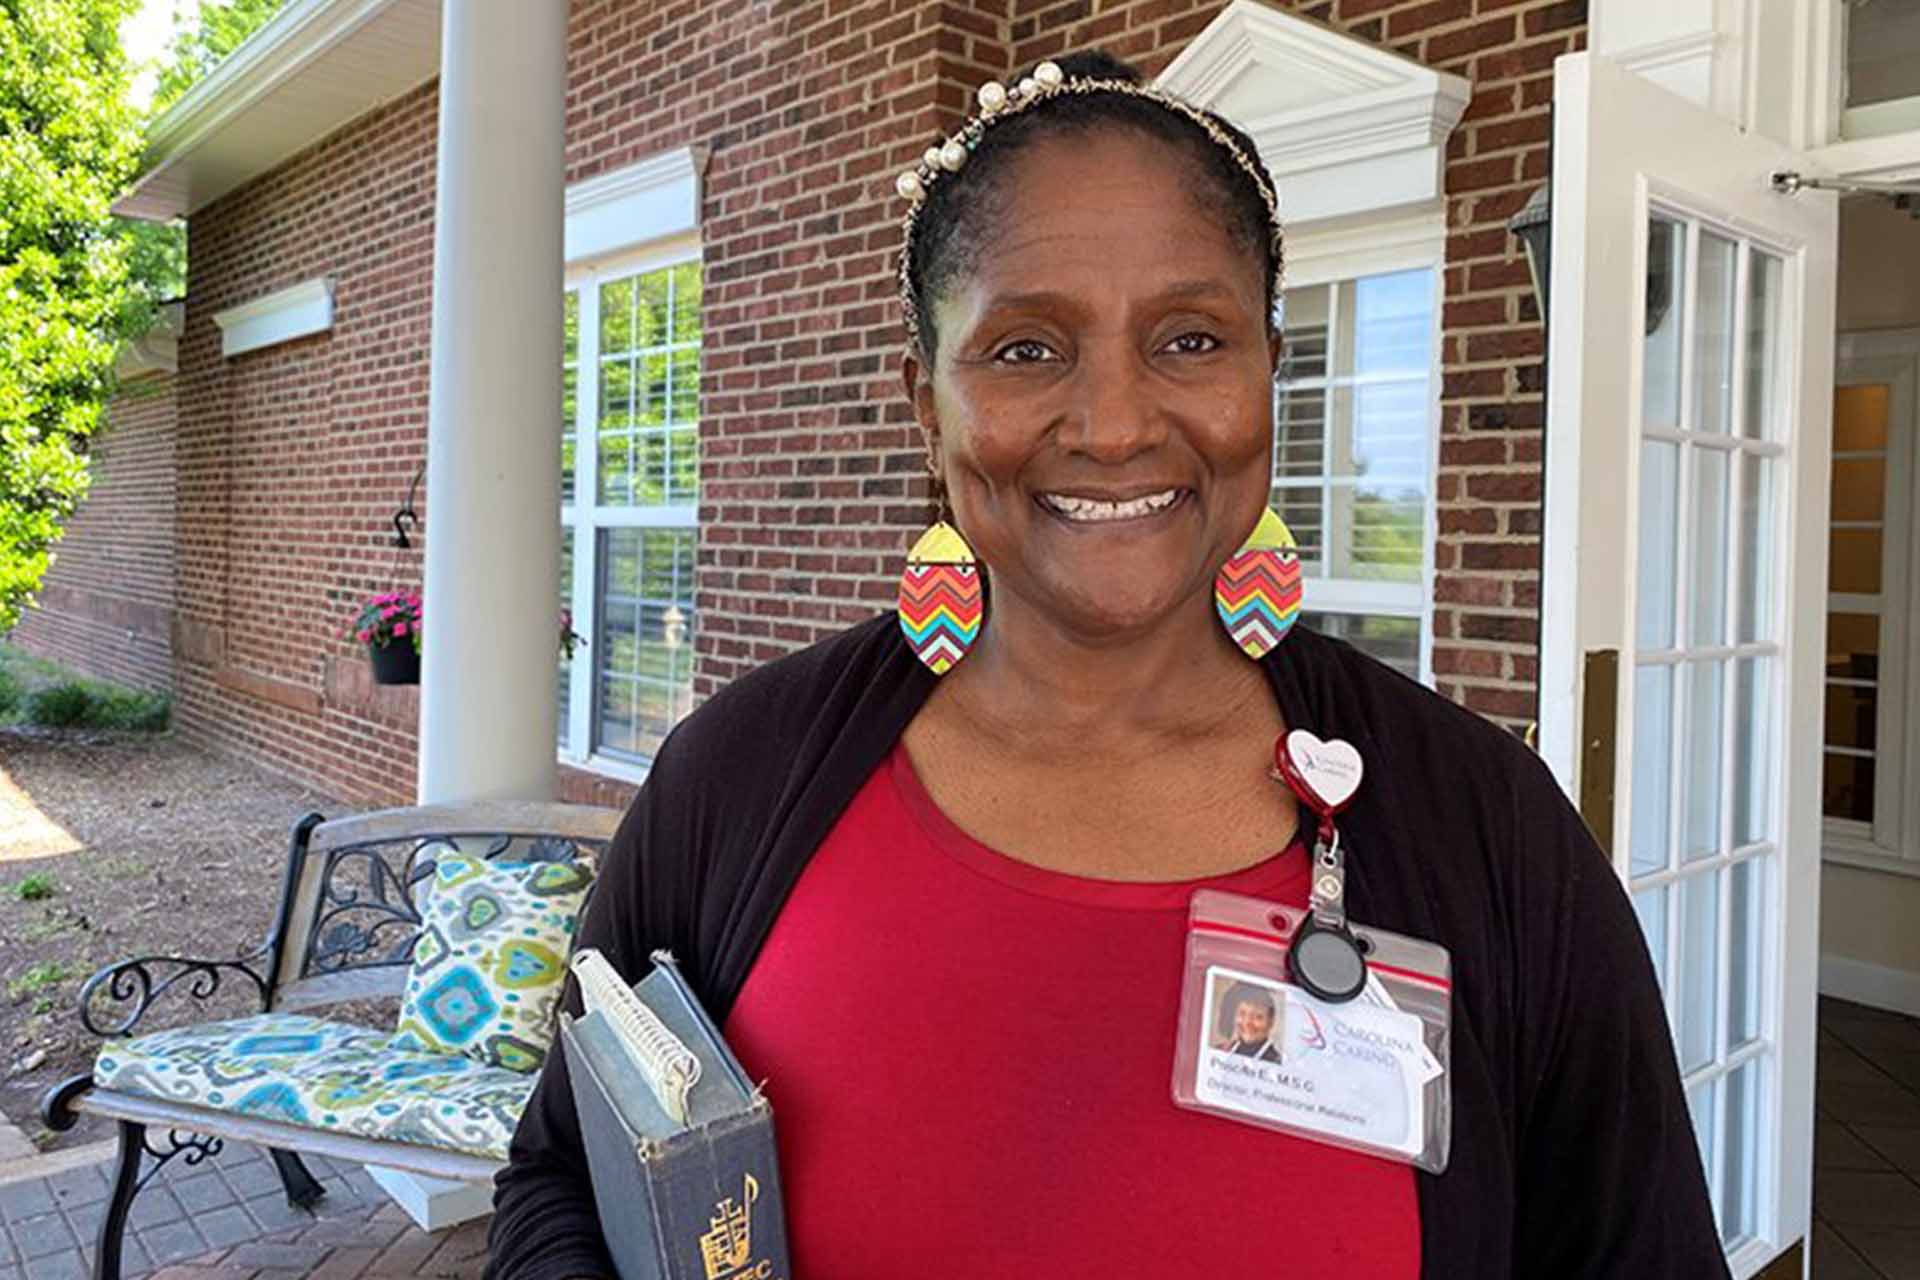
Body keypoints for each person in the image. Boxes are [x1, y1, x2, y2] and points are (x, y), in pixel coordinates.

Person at [487, 50, 1727, 1280]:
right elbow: (559, 1177)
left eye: (1190, 338)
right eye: (1027, 349)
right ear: (927, 404)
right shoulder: (740, 776)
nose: (1118, 422)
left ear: (1267, 377)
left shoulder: (1490, 830)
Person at [1216, 985, 1282, 1063]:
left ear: (1271, 1022)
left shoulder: (1276, 1061)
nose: (1247, 1022)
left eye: (1258, 1017)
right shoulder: (1220, 1051)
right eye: (1242, 1014)